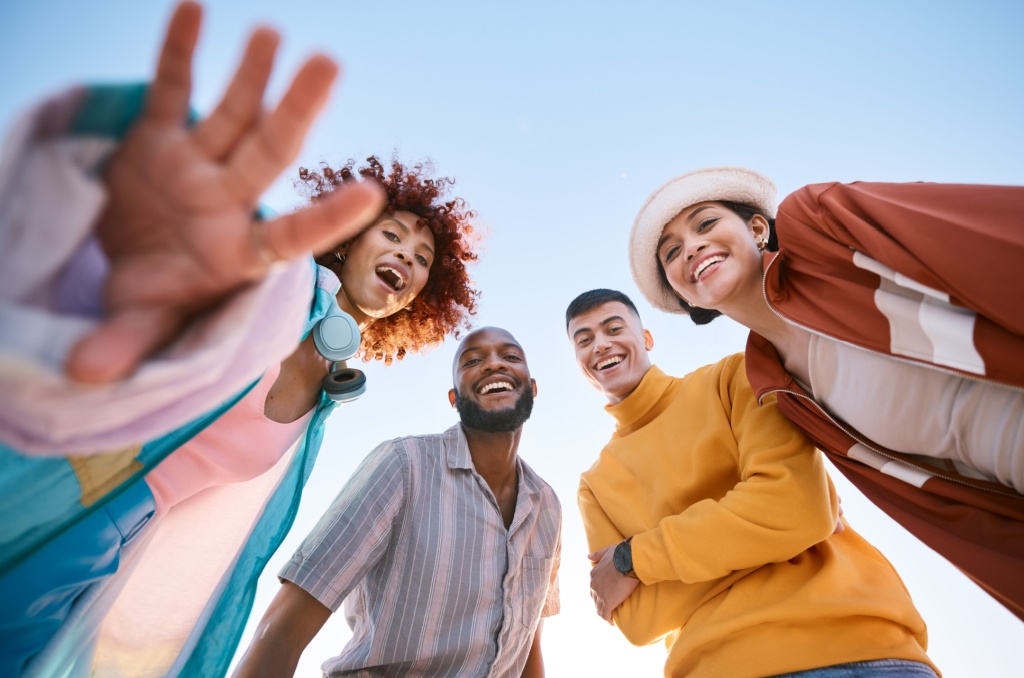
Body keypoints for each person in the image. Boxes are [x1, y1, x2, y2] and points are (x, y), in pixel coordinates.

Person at [0, 3, 480, 676]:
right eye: (391, 234)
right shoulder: (276, 285)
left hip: (113, 568)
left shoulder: (334, 393)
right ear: (349, 240)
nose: (406, 254)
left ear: (421, 296)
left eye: (422, 256)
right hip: (63, 499)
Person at [627, 167, 1024, 620]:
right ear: (685, 296)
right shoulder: (779, 392)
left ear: (758, 228)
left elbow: (980, 232)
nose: (692, 247)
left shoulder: (819, 225)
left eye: (705, 224)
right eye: (672, 252)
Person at [566, 288, 938, 678]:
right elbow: (638, 621)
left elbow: (796, 508)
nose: (601, 344)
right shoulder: (594, 486)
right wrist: (765, 530)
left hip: (857, 644)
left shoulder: (733, 377)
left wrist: (633, 559)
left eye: (613, 328)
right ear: (579, 363)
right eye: (585, 339)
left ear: (646, 338)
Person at [233, 327, 561, 678]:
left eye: (511, 357)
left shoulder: (547, 507)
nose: (494, 365)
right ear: (454, 399)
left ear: (533, 388)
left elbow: (527, 655)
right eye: (473, 361)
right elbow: (281, 631)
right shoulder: (403, 465)